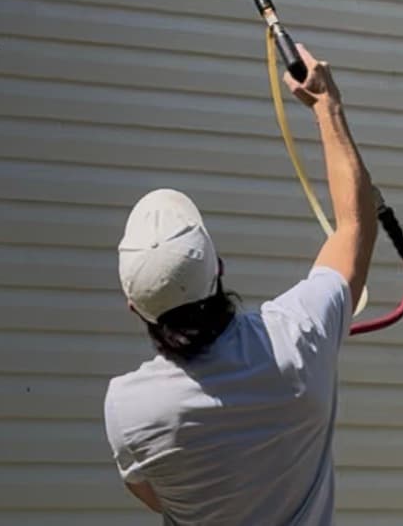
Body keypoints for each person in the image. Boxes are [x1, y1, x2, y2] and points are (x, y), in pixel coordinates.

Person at [103, 43, 378, 522]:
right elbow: (355, 227)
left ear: (134, 306)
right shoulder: (296, 340)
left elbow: (156, 498)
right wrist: (326, 106)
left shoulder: (129, 410)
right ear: (219, 269)